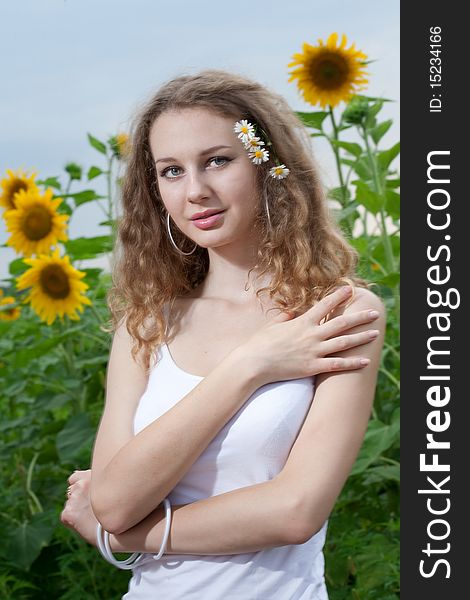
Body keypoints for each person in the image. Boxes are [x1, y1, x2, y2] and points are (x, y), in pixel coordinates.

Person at [60, 69, 386, 599]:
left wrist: (129, 537)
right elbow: (115, 501)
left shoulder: (339, 315)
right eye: (170, 171)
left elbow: (295, 511)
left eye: (217, 160)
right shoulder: (146, 324)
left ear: (266, 166)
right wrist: (250, 364)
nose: (196, 191)